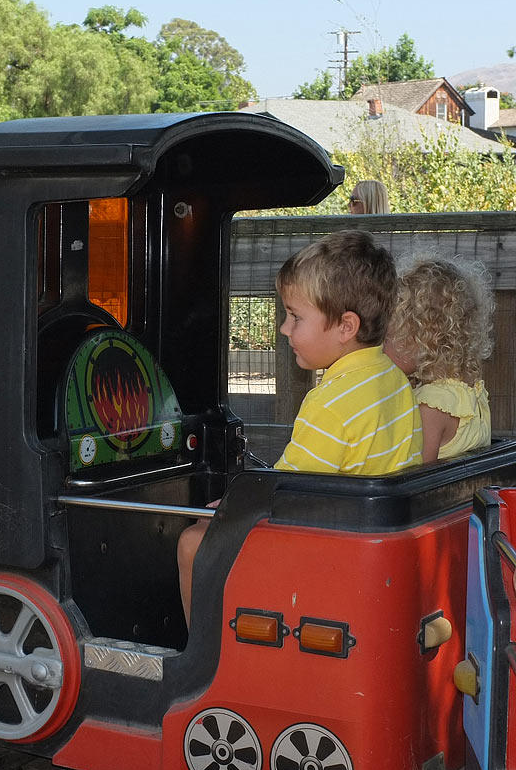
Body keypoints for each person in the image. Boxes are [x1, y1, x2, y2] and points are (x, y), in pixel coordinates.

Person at [178, 230, 422, 622]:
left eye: (295, 317)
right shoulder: (393, 378)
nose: (284, 329)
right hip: (367, 532)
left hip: (329, 546)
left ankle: (205, 670)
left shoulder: (331, 402)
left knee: (193, 541)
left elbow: (285, 492)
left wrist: (232, 507)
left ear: (346, 326)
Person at [384, 256, 493, 462]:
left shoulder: (431, 406)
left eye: (387, 337)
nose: (380, 347)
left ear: (423, 339)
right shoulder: (472, 394)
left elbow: (415, 481)